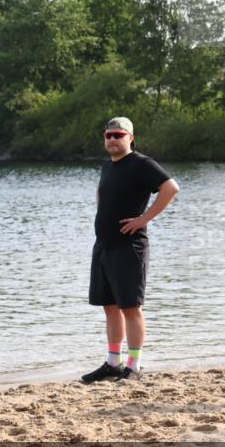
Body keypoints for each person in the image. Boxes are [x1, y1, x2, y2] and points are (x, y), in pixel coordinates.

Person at [82, 117, 179, 383]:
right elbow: (102, 194)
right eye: (108, 135)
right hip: (103, 246)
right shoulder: (107, 166)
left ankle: (134, 366)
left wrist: (143, 219)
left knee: (130, 307)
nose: (112, 139)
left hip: (129, 247)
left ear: (130, 138)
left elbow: (171, 188)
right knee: (110, 306)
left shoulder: (141, 164)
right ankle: (113, 363)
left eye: (118, 135)